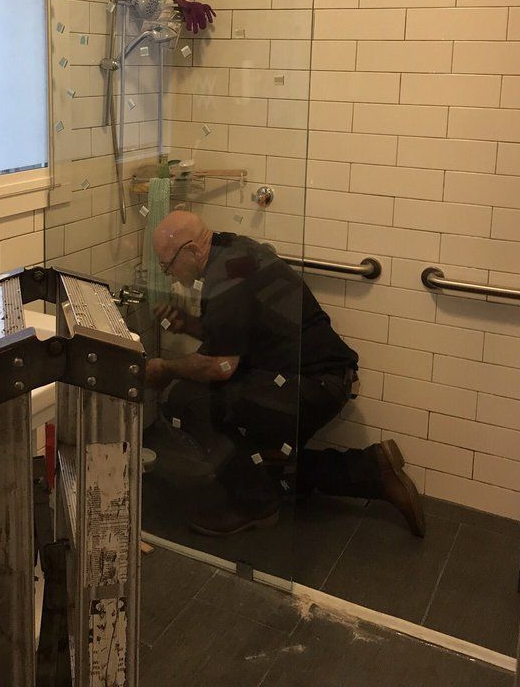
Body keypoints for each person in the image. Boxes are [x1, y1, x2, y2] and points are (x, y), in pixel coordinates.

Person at [146, 211, 426, 539]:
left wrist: (164, 368)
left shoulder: (224, 279)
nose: (168, 275)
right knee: (262, 461)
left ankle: (255, 506)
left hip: (309, 385)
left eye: (167, 266)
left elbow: (219, 366)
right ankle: (371, 469)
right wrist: (189, 324)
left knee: (186, 399)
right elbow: (240, 333)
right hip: (320, 376)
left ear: (192, 251)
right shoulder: (236, 253)